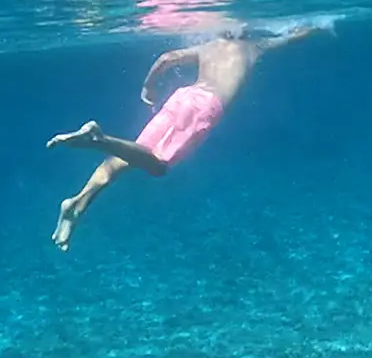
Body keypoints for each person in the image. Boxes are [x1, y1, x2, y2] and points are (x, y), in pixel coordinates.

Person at [46, 23, 326, 250]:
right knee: (158, 165)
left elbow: (166, 58)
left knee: (127, 157)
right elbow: (290, 37)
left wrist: (149, 88)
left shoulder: (208, 46)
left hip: (183, 96)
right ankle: (97, 139)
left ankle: (77, 203)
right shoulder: (253, 46)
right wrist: (316, 27)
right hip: (206, 107)